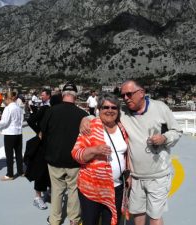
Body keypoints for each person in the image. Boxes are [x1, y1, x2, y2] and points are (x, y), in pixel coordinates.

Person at [81, 80, 182, 225]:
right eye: (123, 96)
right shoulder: (123, 113)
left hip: (158, 175)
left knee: (154, 216)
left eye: (129, 94)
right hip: (135, 177)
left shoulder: (160, 108)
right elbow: (105, 115)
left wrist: (165, 138)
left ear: (141, 93)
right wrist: (86, 118)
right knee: (137, 214)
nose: (126, 98)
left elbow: (177, 131)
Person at [72, 92, 129, 225]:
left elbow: (126, 155)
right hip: (92, 188)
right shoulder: (90, 127)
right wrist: (94, 150)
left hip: (116, 188)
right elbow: (76, 154)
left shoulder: (122, 128)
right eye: (105, 107)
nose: (110, 110)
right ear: (99, 110)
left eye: (114, 108)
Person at [41, 82, 88, 225]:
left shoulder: (51, 111)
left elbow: (43, 130)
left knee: (57, 191)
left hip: (54, 159)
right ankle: (74, 219)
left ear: (62, 94)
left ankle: (55, 220)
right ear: (76, 95)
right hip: (74, 160)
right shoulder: (83, 115)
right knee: (73, 190)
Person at [26, 89, 52, 210]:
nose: (41, 97)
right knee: (41, 169)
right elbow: (30, 120)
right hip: (43, 144)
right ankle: (38, 197)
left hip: (51, 144)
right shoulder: (45, 108)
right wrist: (39, 132)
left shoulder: (51, 108)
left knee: (50, 169)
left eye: (43, 95)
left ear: (48, 96)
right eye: (41, 95)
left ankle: (49, 192)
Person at [0, 91, 24, 181]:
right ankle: (20, 171)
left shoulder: (8, 108)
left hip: (10, 134)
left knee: (9, 154)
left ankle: (10, 174)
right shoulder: (18, 108)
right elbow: (21, 120)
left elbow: (5, 121)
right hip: (18, 132)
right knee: (19, 154)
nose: (4, 101)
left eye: (4, 99)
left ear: (8, 98)